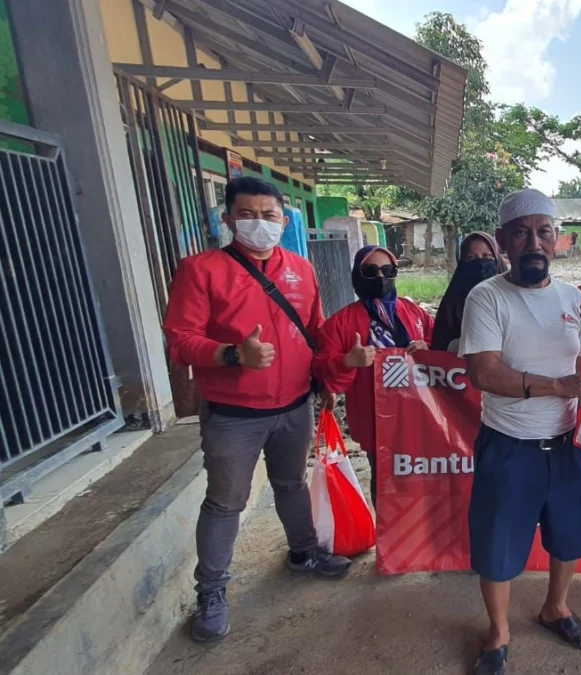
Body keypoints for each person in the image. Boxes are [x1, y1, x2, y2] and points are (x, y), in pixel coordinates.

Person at [163, 176, 350, 644]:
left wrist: (324, 381)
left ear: (284, 221)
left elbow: (315, 330)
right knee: (226, 502)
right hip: (233, 413)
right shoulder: (200, 270)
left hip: (293, 406)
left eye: (269, 216)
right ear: (227, 219)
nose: (260, 224)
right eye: (248, 214)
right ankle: (211, 591)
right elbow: (179, 341)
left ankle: (303, 552)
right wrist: (231, 355)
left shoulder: (302, 271)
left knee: (290, 483)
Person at [459, 189, 581, 675]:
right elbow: (483, 374)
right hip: (508, 447)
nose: (534, 242)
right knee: (498, 550)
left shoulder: (574, 299)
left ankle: (555, 607)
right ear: (503, 241)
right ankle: (498, 632)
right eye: (522, 232)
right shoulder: (487, 297)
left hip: (566, 445)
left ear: (558, 239)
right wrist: (555, 385)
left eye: (544, 232)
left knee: (570, 538)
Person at [316, 245, 432, 505]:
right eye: (370, 271)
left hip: (421, 413)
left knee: (426, 475)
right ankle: (391, 539)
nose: (381, 277)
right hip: (375, 418)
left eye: (388, 270)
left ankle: (424, 538)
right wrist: (347, 361)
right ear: (357, 275)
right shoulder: (341, 323)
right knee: (385, 482)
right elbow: (323, 369)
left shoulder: (412, 313)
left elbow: (439, 342)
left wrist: (427, 347)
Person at [431, 232, 506, 352]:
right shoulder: (453, 302)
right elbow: (440, 345)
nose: (480, 263)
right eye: (471, 258)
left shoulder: (511, 295)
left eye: (487, 256)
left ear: (497, 260)